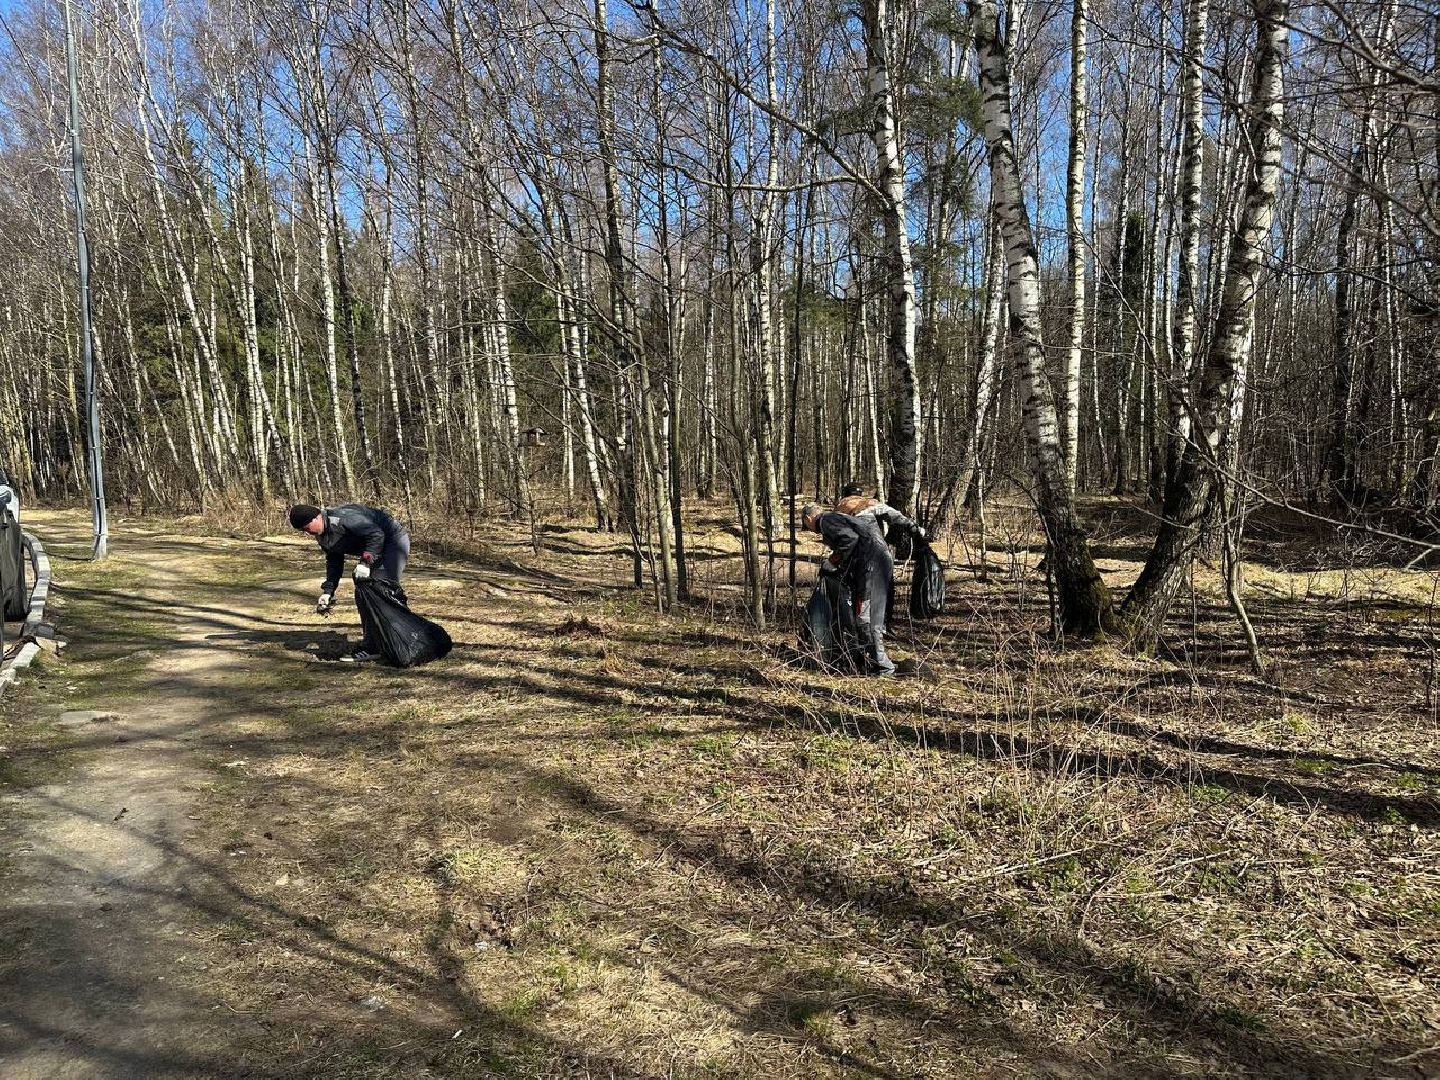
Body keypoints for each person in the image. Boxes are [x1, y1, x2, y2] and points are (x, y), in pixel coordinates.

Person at [288, 503, 410, 663]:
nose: (307, 533)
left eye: (307, 527)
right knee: (363, 593)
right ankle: (376, 644)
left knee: (382, 590)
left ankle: (401, 640)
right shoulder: (321, 534)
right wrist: (328, 591)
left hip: (393, 540)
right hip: (376, 545)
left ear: (317, 517)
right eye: (302, 531)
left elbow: (376, 534)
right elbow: (334, 560)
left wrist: (365, 562)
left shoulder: (343, 519)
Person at [801, 503, 901, 677]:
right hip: (874, 562)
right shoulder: (836, 518)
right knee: (864, 614)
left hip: (872, 565)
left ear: (808, 519)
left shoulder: (826, 520)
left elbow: (849, 540)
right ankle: (869, 660)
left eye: (806, 525)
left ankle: (884, 666)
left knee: (865, 617)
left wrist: (832, 562)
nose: (810, 530)